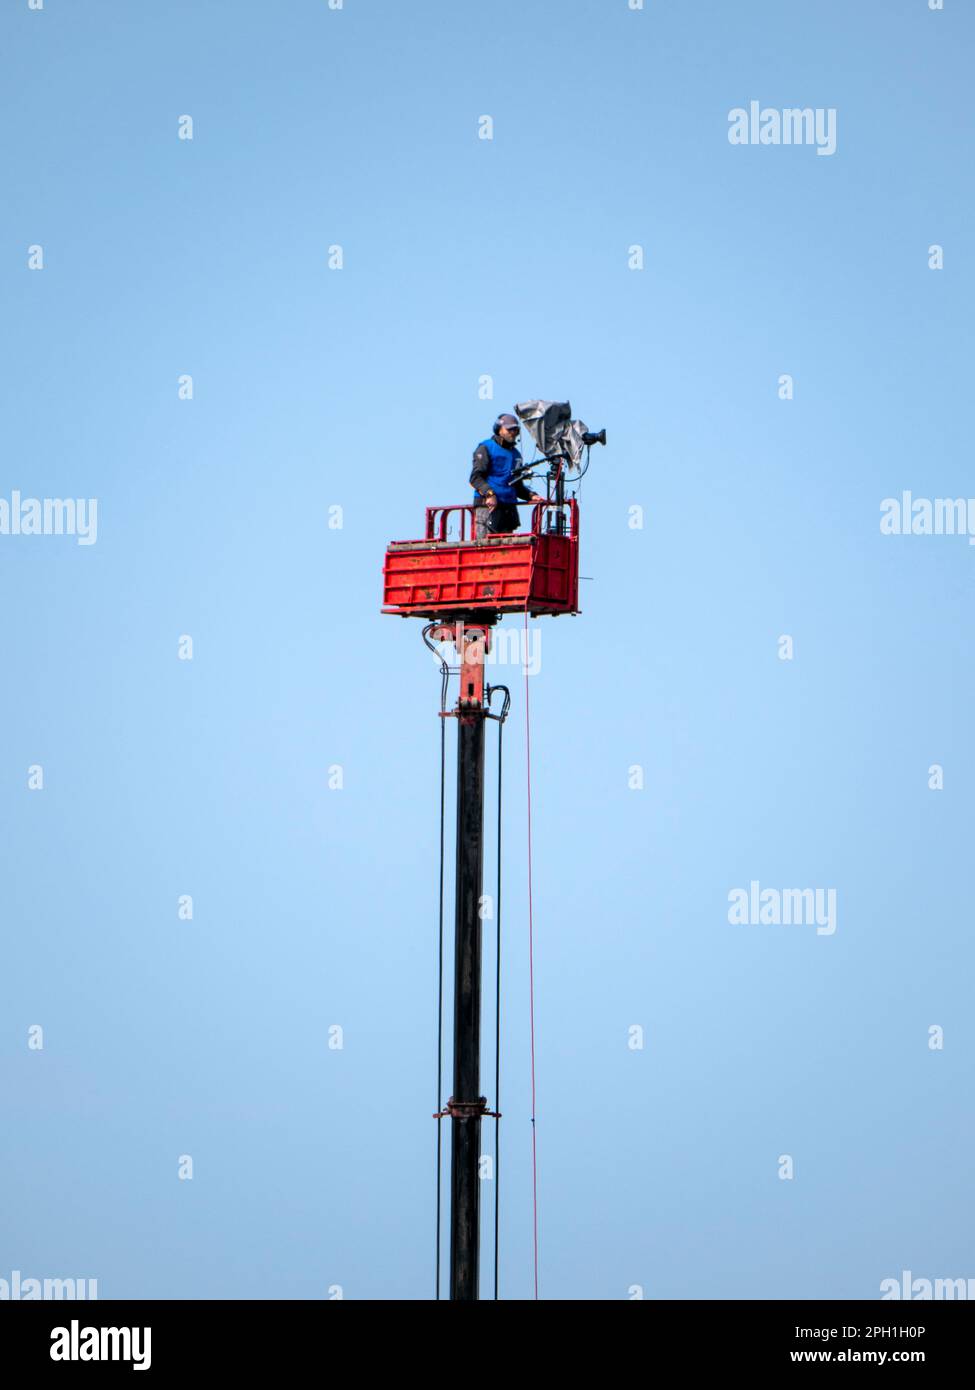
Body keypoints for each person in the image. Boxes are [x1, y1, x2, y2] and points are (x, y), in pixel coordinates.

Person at [470, 414, 544, 541]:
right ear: (499, 429)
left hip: (508, 510)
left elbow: (517, 485)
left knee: (506, 550)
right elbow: (475, 478)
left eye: (516, 430)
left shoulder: (516, 454)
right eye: (509, 429)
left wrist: (531, 495)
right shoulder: (486, 448)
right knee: (486, 548)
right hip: (489, 508)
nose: (513, 433)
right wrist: (489, 494)